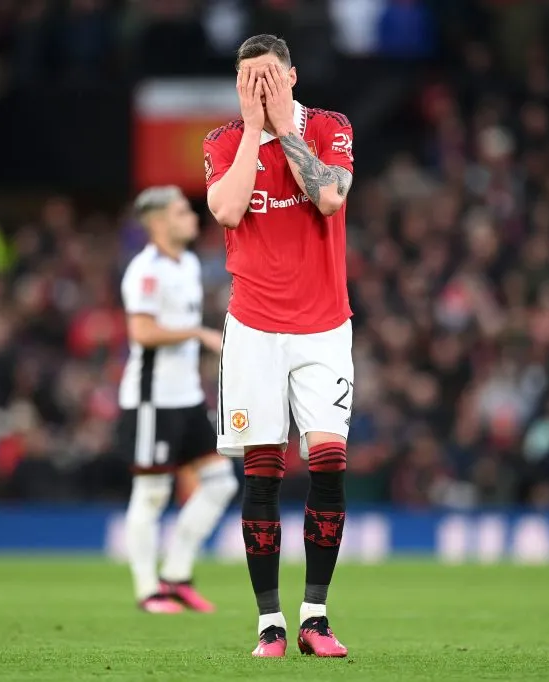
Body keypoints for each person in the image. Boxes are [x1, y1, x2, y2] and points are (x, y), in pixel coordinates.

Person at [203, 35, 355, 657]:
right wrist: (252, 131)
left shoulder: (328, 128)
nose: (258, 89)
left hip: (323, 326)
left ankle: (315, 616)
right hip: (254, 329)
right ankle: (270, 622)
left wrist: (281, 129)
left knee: (328, 461)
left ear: (292, 77)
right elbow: (228, 211)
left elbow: (328, 195)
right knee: (262, 470)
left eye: (267, 77)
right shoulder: (221, 142)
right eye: (247, 79)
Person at [118, 186, 238, 614]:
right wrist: (197, 333)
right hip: (151, 401)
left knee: (221, 483)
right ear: (156, 222)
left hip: (186, 398)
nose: (192, 217)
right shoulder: (145, 271)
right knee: (151, 492)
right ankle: (148, 589)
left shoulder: (187, 264)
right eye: (181, 211)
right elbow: (142, 333)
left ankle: (176, 574)